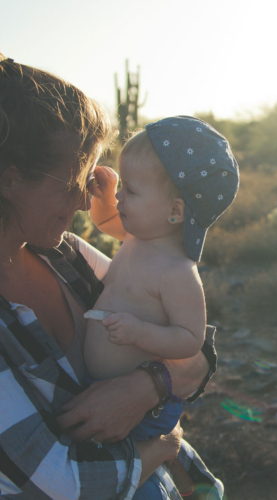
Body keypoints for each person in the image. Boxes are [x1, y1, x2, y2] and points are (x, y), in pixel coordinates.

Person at [0, 55, 223, 499]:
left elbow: (196, 356)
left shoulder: (65, 257)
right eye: (73, 180)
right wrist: (163, 447)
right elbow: (65, 485)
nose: (87, 202)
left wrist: (146, 386)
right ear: (10, 179)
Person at [85, 118, 239, 442]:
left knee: (136, 473)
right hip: (102, 390)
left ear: (176, 210)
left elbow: (189, 339)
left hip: (140, 412)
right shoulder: (138, 234)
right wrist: (104, 195)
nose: (120, 199)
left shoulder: (176, 273)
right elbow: (106, 220)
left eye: (132, 190)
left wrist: (140, 333)